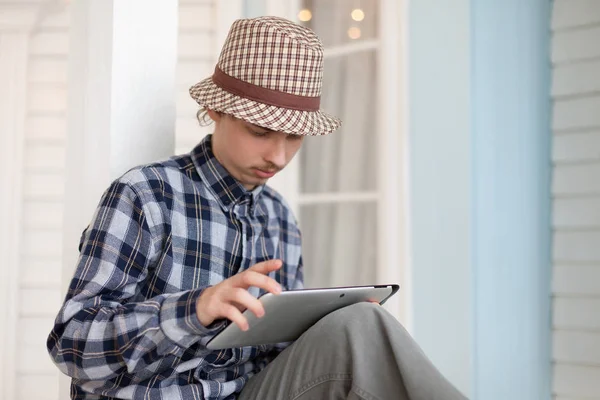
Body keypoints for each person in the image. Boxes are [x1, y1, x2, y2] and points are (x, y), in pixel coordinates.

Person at [47, 16, 467, 400]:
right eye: (261, 131)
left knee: (359, 325)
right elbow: (72, 345)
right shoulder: (146, 195)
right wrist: (195, 309)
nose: (279, 157)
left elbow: (280, 356)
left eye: (294, 137)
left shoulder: (280, 218)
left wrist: (331, 330)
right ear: (214, 108)